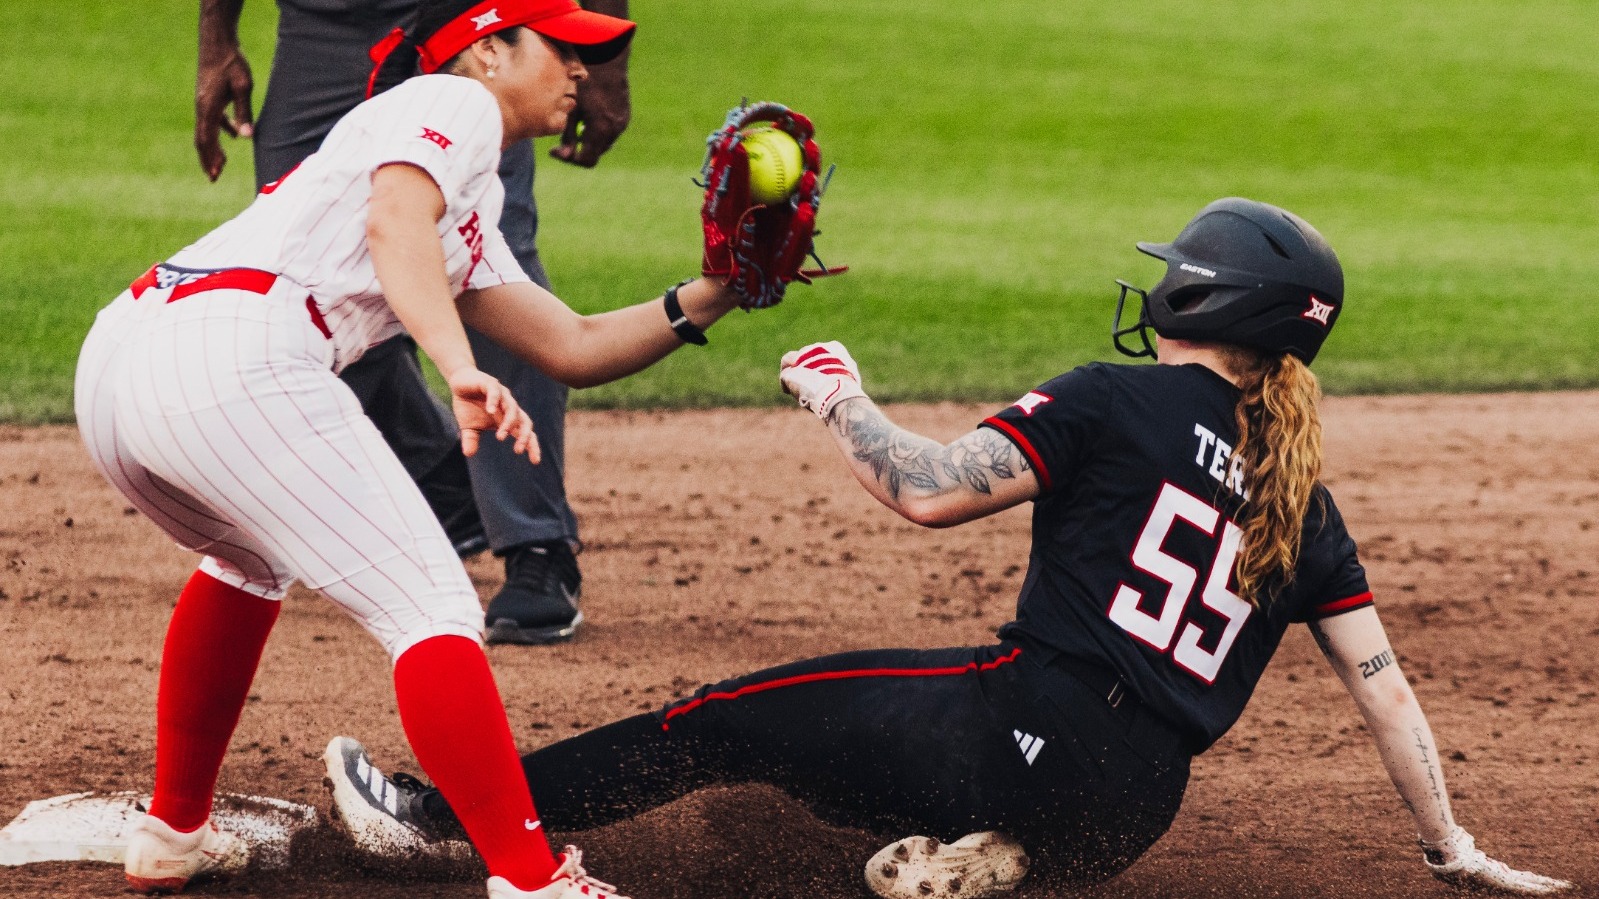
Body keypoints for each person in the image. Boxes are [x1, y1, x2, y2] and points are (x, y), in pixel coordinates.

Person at [322, 198, 1570, 898]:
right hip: (1134, 807)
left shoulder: (1110, 397)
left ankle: (437, 818)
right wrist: (1451, 849)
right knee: (858, 758)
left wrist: (837, 394)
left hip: (1016, 722)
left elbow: (923, 490)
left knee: (723, 718)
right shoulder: (1307, 493)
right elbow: (1384, 688)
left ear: (1202, 299)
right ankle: (1004, 854)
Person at [75, 1, 827, 895]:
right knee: (434, 607)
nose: (582, 72)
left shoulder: (463, 192)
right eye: (563, 49)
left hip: (130, 363)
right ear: (488, 52)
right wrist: (459, 368)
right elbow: (394, 224)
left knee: (246, 561)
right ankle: (534, 878)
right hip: (234, 352)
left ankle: (171, 835)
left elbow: (573, 344)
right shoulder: (451, 103)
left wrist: (714, 293)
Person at [197, 0, 635, 645]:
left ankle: (535, 544)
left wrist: (606, 70)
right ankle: (446, 487)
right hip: (323, 25)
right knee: (307, 271)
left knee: (494, 265)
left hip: (474, 15)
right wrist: (217, 40)